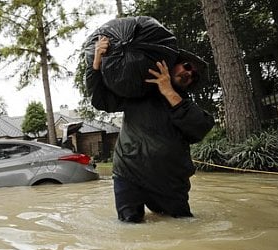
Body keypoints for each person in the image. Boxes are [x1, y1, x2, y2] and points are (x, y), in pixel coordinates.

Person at [87, 36, 215, 223]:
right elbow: (101, 100)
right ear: (173, 65)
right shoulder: (137, 90)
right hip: (129, 173)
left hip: (171, 183)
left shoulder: (186, 105)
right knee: (131, 227)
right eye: (187, 66)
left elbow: (200, 128)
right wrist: (97, 61)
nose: (189, 74)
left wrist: (168, 91)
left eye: (194, 75)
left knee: (184, 225)